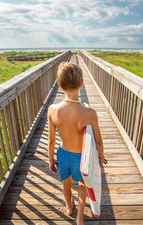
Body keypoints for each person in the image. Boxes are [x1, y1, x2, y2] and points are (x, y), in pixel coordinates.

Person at [48, 62, 104, 225]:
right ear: (81, 83)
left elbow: (51, 140)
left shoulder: (53, 110)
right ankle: (80, 216)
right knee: (82, 183)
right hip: (81, 157)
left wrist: (50, 159)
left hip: (63, 154)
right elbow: (98, 141)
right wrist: (101, 156)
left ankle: (68, 206)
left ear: (59, 85)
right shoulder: (89, 113)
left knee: (66, 182)